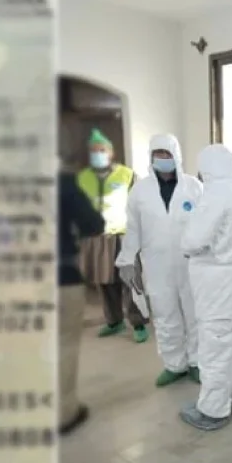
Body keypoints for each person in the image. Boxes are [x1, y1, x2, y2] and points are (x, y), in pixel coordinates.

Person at [177, 144, 232, 431]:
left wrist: (187, 234)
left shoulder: (215, 196)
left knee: (214, 342)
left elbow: (191, 241)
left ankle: (213, 410)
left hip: (218, 279)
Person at [115, 133, 203, 386]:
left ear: (177, 156)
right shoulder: (140, 191)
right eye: (158, 154)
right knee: (165, 315)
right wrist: (126, 259)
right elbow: (133, 229)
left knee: (195, 315)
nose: (163, 159)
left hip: (191, 264)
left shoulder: (194, 187)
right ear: (151, 157)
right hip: (156, 265)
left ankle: (197, 362)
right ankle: (174, 365)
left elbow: (207, 225)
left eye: (167, 154)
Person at [76, 128, 149, 343]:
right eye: (94, 151)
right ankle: (114, 320)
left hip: (124, 235)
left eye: (102, 150)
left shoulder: (127, 175)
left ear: (111, 152)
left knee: (131, 280)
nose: (98, 154)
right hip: (96, 237)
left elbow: (141, 204)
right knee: (105, 282)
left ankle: (138, 322)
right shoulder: (82, 178)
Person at [57, 157, 106, 434]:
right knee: (63, 346)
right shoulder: (61, 181)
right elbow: (93, 223)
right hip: (60, 277)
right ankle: (63, 414)